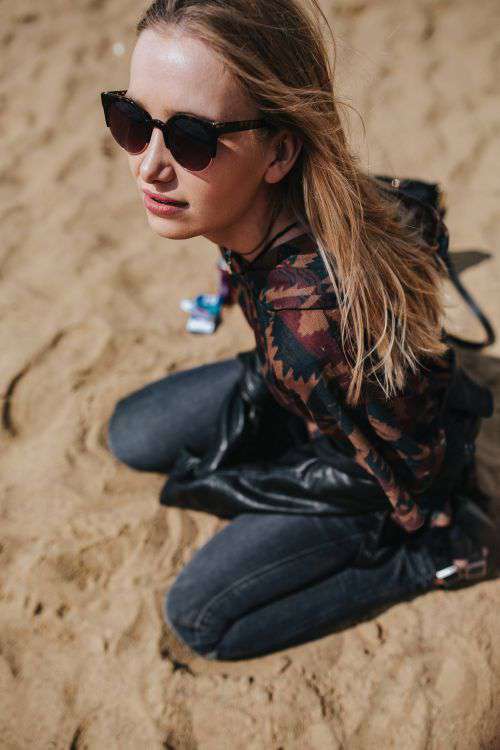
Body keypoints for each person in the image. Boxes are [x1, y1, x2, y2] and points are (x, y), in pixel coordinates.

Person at [102, 0, 497, 661]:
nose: (150, 165)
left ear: (280, 150)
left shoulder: (316, 333)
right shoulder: (273, 198)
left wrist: (416, 524)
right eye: (133, 122)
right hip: (294, 383)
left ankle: (438, 560)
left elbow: (403, 463)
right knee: (130, 433)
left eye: (193, 138)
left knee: (202, 621)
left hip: (360, 467)